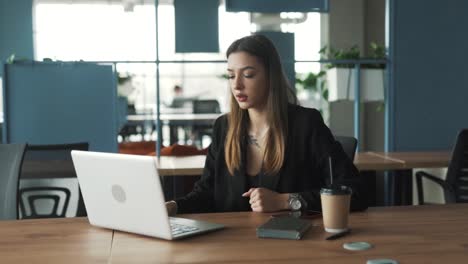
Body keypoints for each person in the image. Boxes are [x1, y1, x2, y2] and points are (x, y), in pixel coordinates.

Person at [166, 34, 368, 215]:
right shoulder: (224, 127)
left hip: (292, 244)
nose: (236, 85)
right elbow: (206, 194)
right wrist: (172, 206)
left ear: (271, 77)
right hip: (232, 246)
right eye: (231, 75)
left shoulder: (306, 124)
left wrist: (285, 201)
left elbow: (356, 191)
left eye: (248, 75)